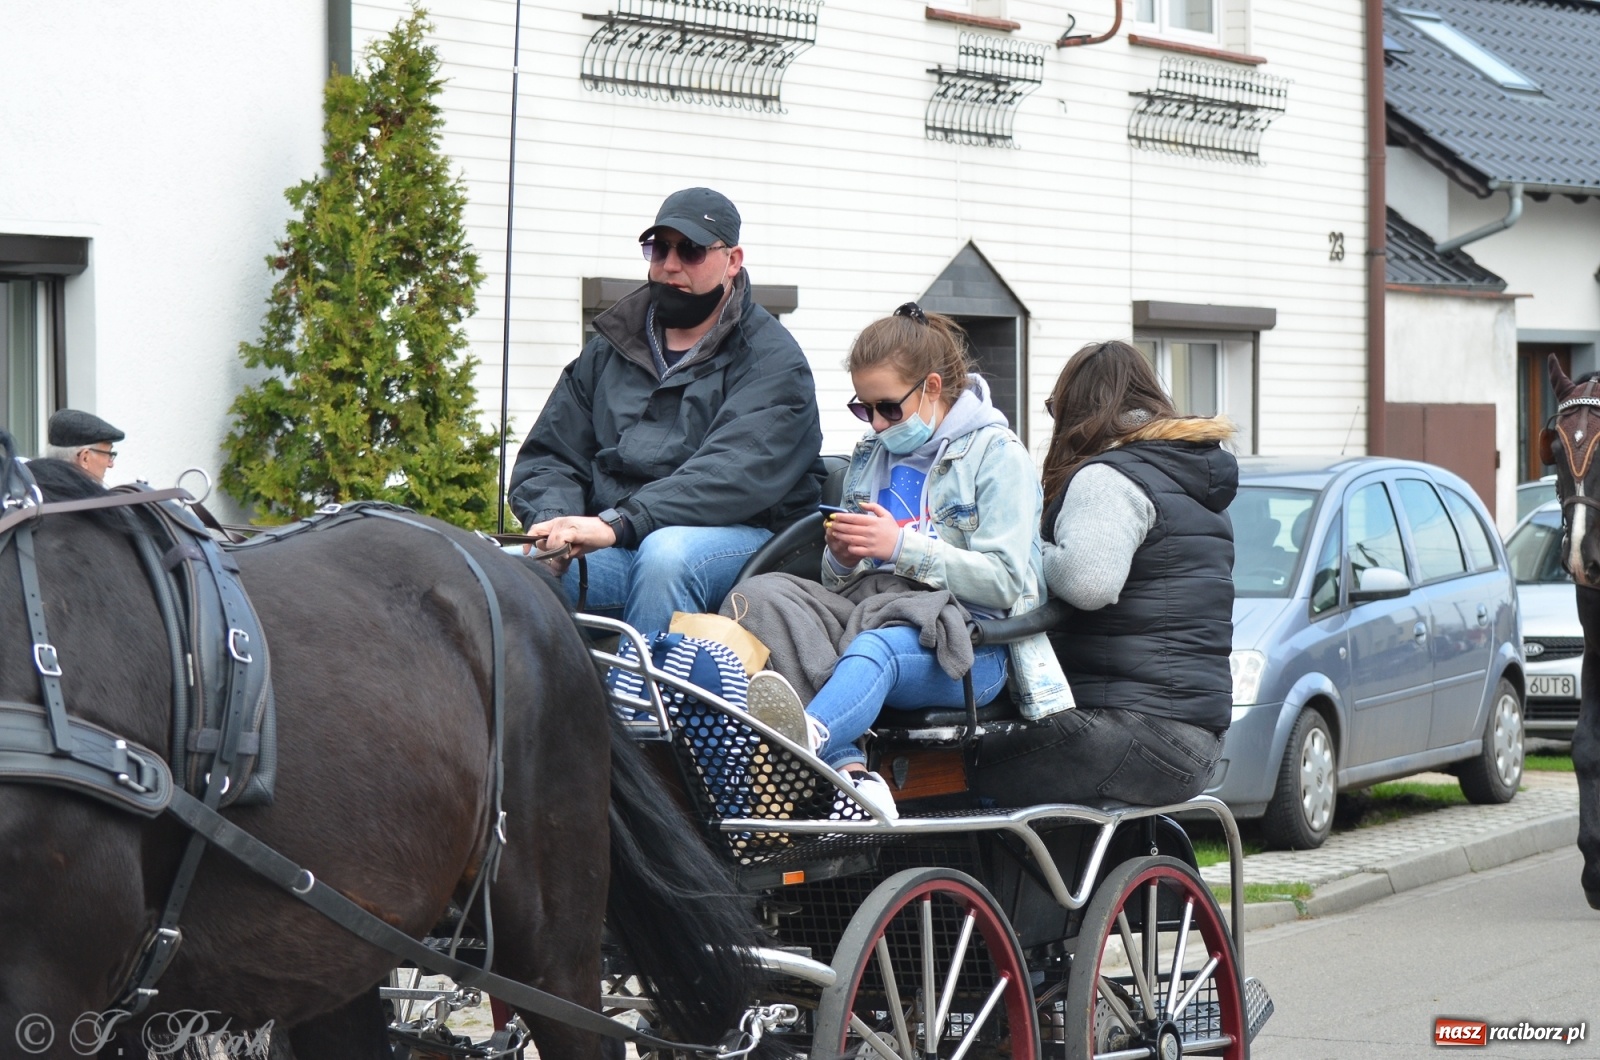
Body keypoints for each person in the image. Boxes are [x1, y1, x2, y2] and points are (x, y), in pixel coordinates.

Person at [735, 304, 1071, 820]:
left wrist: (900, 547)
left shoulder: (999, 455)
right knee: (758, 596)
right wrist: (843, 559)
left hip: (970, 645)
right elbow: (842, 579)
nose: (874, 423)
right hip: (871, 611)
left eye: (887, 407)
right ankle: (850, 774)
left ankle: (799, 749)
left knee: (880, 642)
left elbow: (1005, 584)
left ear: (933, 387)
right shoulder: (871, 452)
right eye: (862, 408)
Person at [507, 187, 824, 634]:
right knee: (492, 573)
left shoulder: (773, 361)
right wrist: (554, 524)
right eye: (659, 248)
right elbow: (551, 455)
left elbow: (728, 475)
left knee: (667, 554)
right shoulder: (607, 350)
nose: (670, 265)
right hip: (619, 541)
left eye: (691, 250)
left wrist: (618, 522)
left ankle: (648, 704)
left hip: (747, 544)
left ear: (732, 260)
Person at [971, 340, 1237, 808]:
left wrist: (1026, 549)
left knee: (948, 769)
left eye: (1057, 408)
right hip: (1192, 736)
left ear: (1078, 410)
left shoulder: (1110, 477)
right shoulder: (1186, 478)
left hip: (1136, 727)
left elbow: (1087, 584)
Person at [44, 409, 124, 484]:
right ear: (85, 458)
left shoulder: (35, 492)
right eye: (109, 454)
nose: (111, 464)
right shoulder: (86, 498)